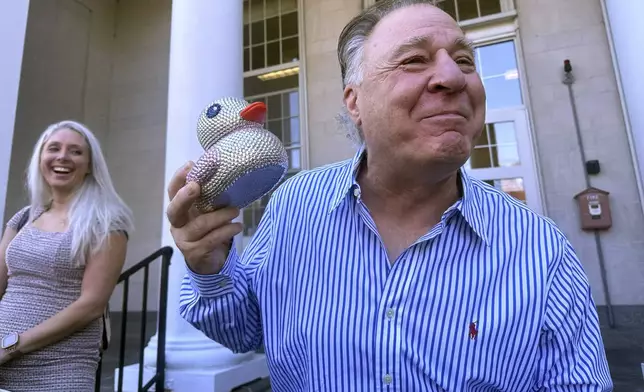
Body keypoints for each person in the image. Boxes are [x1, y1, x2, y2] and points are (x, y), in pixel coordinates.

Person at [168, 1, 613, 391]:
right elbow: (245, 330)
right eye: (415, 60)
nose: (452, 78)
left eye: (464, 60)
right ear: (354, 102)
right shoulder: (294, 206)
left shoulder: (542, 250)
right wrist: (210, 268)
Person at [0, 120, 133, 391]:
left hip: (60, 367)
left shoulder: (107, 222)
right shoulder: (25, 217)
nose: (62, 156)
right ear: (41, 158)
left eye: (75, 151)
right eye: (54, 148)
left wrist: (12, 345)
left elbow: (91, 305)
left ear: (89, 165)